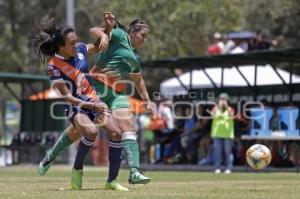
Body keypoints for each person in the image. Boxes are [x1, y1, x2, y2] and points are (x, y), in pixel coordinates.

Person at [28, 16, 128, 191]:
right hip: (76, 106)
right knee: (90, 131)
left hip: (94, 99)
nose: (77, 45)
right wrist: (94, 106)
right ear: (61, 47)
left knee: (116, 133)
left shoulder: (80, 49)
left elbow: (97, 45)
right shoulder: (54, 66)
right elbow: (68, 97)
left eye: (77, 41)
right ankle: (77, 169)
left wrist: (108, 29)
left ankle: (111, 181)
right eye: (72, 43)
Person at [88, 13, 152, 184]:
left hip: (117, 93)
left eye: (147, 38)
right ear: (132, 32)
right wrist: (103, 35)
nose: (145, 40)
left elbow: (139, 81)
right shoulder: (120, 35)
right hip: (97, 87)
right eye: (143, 36)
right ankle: (51, 156)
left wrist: (147, 100)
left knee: (128, 126)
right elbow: (93, 29)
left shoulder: (135, 57)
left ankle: (134, 172)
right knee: (76, 131)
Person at [210, 93, 235, 174]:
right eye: (221, 99)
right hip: (217, 134)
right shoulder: (215, 108)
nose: (222, 101)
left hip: (227, 134)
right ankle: (217, 168)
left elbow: (232, 115)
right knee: (217, 152)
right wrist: (218, 107)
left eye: (224, 99)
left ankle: (229, 168)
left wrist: (226, 107)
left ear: (227, 100)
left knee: (228, 152)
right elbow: (212, 114)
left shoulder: (230, 109)